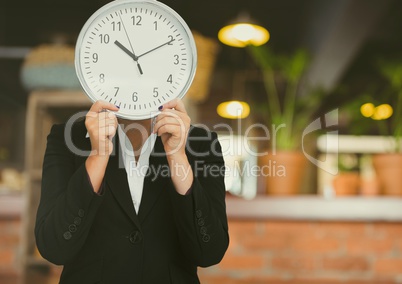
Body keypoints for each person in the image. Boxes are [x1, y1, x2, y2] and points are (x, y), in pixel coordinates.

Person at [35, 99, 229, 283]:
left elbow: (209, 252)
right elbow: (54, 248)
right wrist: (97, 156)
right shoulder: (68, 137)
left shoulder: (202, 143)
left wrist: (177, 156)